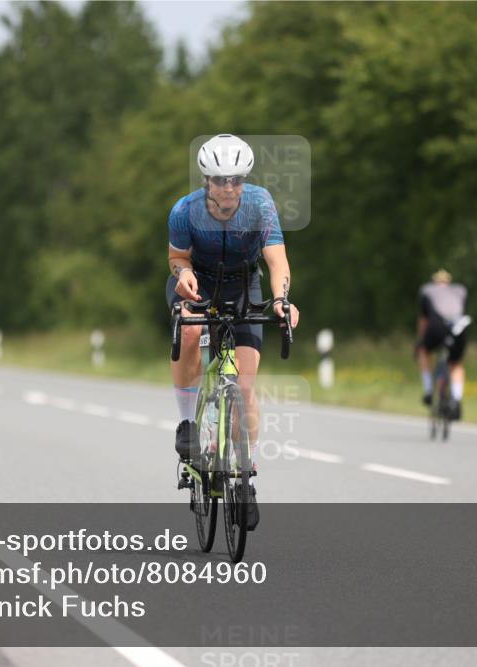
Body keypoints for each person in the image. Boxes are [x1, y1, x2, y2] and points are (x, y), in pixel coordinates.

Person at [167, 133, 300, 529]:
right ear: (207, 179)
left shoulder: (260, 205)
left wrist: (281, 300)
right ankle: (188, 422)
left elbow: (277, 262)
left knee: (244, 386)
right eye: (221, 180)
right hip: (197, 282)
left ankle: (246, 476)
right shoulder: (184, 211)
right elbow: (177, 257)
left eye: (237, 179)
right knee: (189, 334)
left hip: (244, 284)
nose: (229, 188)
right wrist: (184, 274)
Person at [416, 269, 468, 419]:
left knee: (424, 352)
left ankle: (428, 391)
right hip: (458, 328)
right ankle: (457, 399)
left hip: (436, 326)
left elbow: (423, 320)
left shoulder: (427, 290)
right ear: (448, 281)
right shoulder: (460, 290)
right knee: (456, 363)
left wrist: (420, 340)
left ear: (435, 281)